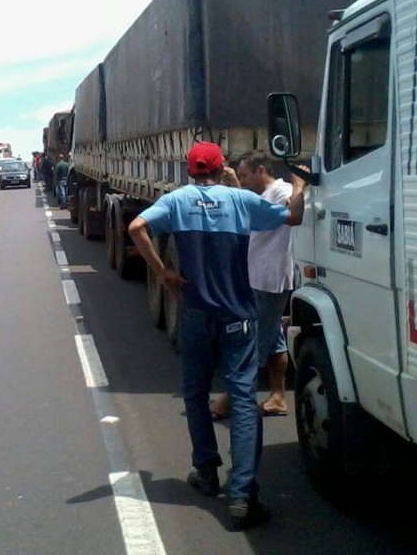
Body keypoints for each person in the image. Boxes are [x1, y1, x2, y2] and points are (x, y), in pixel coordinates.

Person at [127, 142, 304, 530]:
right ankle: (241, 496)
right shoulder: (240, 200)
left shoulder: (176, 201)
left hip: (195, 316)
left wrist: (163, 272)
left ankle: (206, 472)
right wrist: (300, 186)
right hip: (238, 317)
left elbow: (137, 227)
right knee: (242, 399)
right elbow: (292, 217)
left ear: (190, 170)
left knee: (195, 392)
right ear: (221, 166)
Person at [210, 151, 293, 419]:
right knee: (275, 341)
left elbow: (285, 214)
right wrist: (234, 182)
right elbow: (248, 207)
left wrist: (301, 187)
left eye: (245, 175)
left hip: (271, 279)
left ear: (260, 171)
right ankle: (278, 396)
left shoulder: (281, 191)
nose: (242, 181)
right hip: (258, 276)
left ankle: (230, 400)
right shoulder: (263, 195)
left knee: (254, 344)